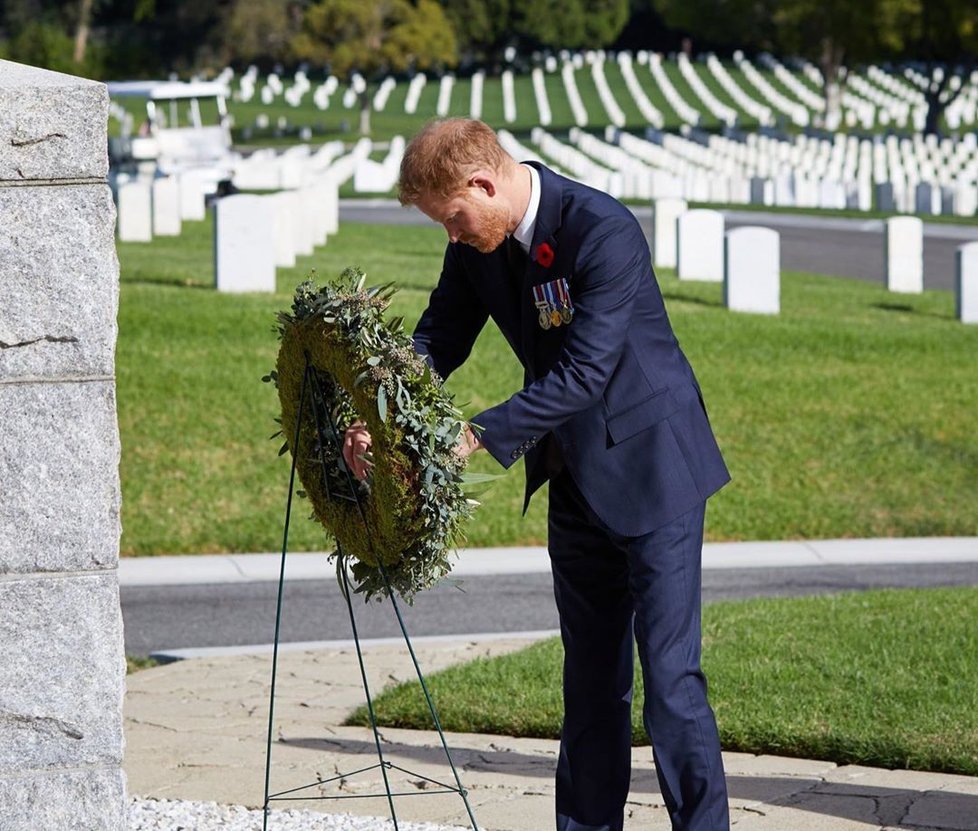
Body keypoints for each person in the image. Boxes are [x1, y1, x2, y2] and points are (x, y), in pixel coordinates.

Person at [343, 118, 731, 831]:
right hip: (574, 477)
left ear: (484, 183)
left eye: (454, 219)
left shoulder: (600, 230)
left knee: (671, 684)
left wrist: (471, 436)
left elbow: (585, 372)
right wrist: (378, 411)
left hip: (654, 472)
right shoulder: (475, 246)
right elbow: (438, 338)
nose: (452, 237)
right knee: (589, 683)